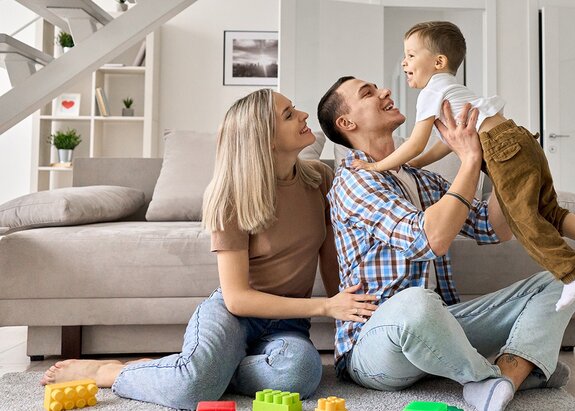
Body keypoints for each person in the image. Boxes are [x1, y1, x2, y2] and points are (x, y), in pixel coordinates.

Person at [40, 89, 378, 410]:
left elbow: (331, 259)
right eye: (289, 115)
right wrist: (325, 307)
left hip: (288, 325)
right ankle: (113, 372)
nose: (303, 115)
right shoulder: (231, 197)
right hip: (233, 317)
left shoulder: (319, 178)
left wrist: (348, 315)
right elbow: (237, 299)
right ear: (266, 139)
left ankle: (196, 370)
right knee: (192, 391)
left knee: (300, 373)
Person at [318, 75, 575, 411]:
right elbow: (429, 240)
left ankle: (508, 376)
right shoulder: (354, 180)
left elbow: (493, 228)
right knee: (415, 303)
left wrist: (504, 162)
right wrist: (468, 161)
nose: (385, 91)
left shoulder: (419, 178)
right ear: (346, 123)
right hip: (374, 344)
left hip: (440, 327)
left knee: (561, 281)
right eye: (368, 93)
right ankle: (496, 376)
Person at [352, 21, 575, 310]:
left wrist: (377, 167)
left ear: (438, 62)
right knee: (547, 209)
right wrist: (415, 164)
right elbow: (446, 142)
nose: (404, 62)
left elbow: (416, 142)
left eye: (411, 55)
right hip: (519, 138)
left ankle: (572, 273)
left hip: (501, 148)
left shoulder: (430, 93)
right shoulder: (451, 89)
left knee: (522, 219)